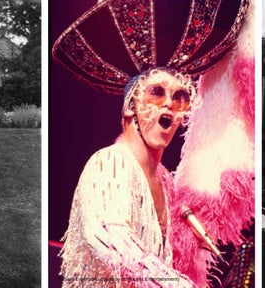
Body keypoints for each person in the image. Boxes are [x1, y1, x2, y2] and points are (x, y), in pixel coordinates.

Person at [59, 68, 198, 287]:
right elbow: (112, 239)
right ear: (130, 107)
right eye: (157, 93)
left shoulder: (165, 180)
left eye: (179, 97)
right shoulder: (107, 162)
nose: (169, 103)